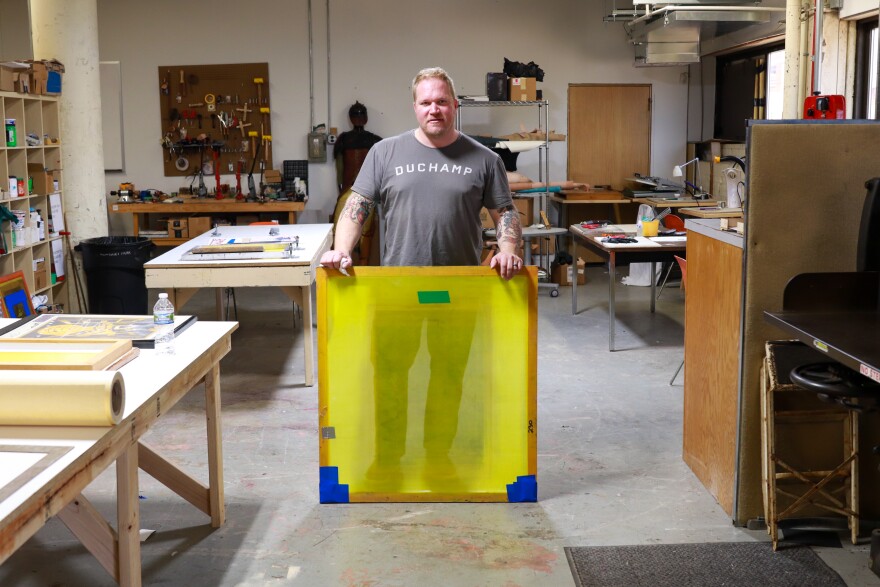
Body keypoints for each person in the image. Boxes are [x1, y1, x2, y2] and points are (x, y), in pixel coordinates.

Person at [320, 67, 524, 485]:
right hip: (398, 289)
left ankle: (439, 456)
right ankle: (389, 460)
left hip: (459, 291)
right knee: (391, 376)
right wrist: (343, 250)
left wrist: (507, 251)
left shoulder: (484, 160)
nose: (435, 109)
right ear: (415, 107)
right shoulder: (385, 153)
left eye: (442, 101)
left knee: (449, 376)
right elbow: (357, 205)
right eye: (426, 102)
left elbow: (505, 213)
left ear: (455, 105)